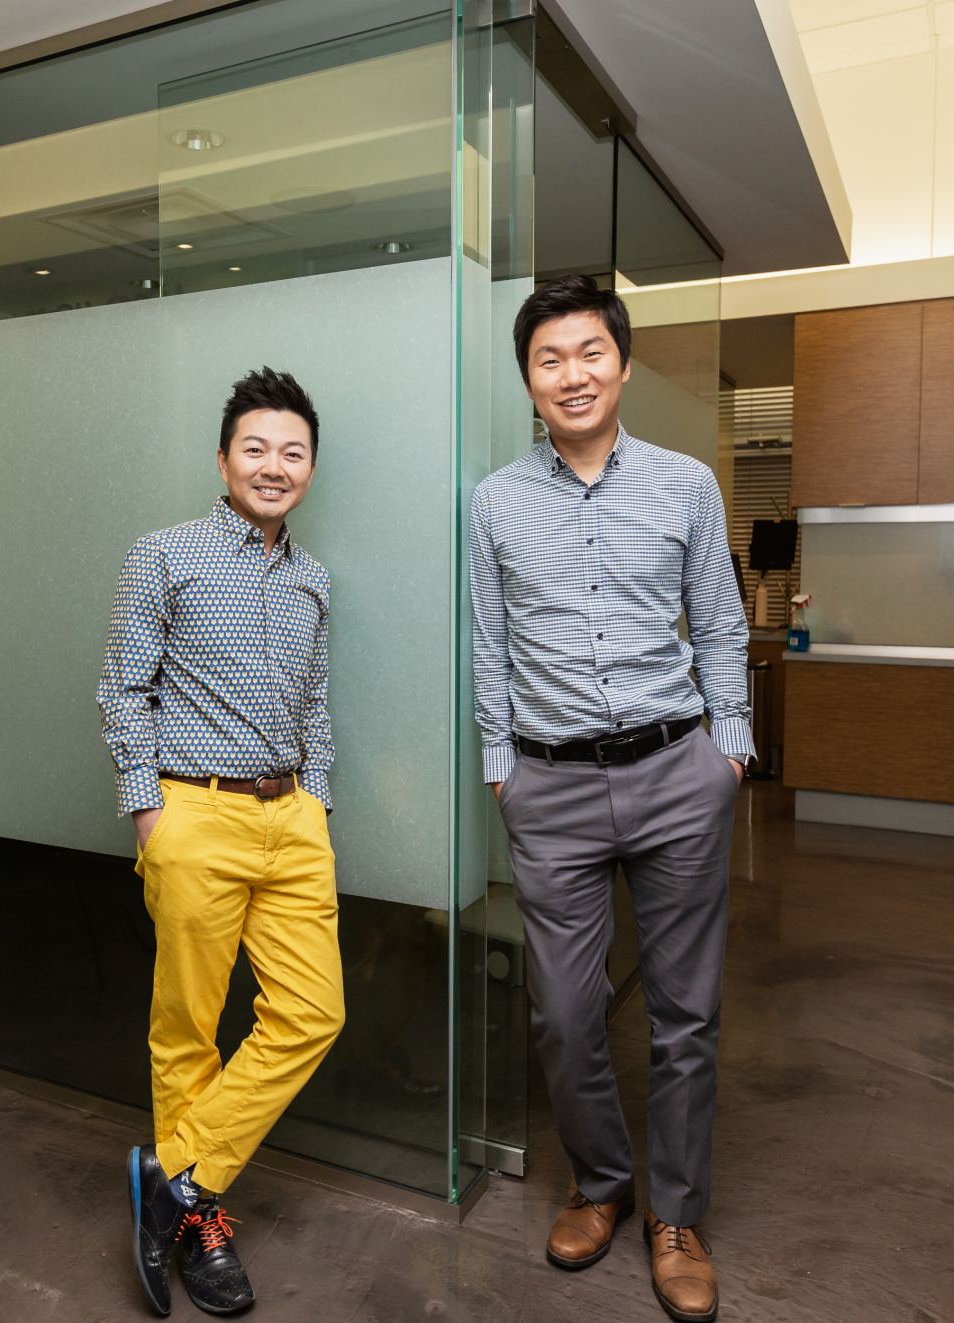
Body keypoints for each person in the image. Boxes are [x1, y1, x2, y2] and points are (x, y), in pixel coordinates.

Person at [470, 276, 753, 1323]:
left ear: (621, 364)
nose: (572, 374)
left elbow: (719, 624)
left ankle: (673, 1216)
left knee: (686, 1014)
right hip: (550, 784)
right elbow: (489, 645)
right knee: (563, 1012)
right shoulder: (495, 500)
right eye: (550, 359)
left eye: (589, 352)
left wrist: (730, 749)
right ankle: (600, 1183)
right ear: (529, 380)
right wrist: (501, 764)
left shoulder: (683, 484)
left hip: (679, 773)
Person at [97, 366, 344, 1317]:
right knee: (189, 1028)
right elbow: (125, 685)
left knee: (312, 1012)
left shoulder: (315, 578)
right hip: (192, 811)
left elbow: (316, 703)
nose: (274, 466)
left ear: (311, 467)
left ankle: (173, 1177)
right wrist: (148, 810)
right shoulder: (165, 553)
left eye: (293, 451)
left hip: (292, 819)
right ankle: (200, 1224)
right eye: (257, 448)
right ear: (224, 458)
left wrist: (315, 801)